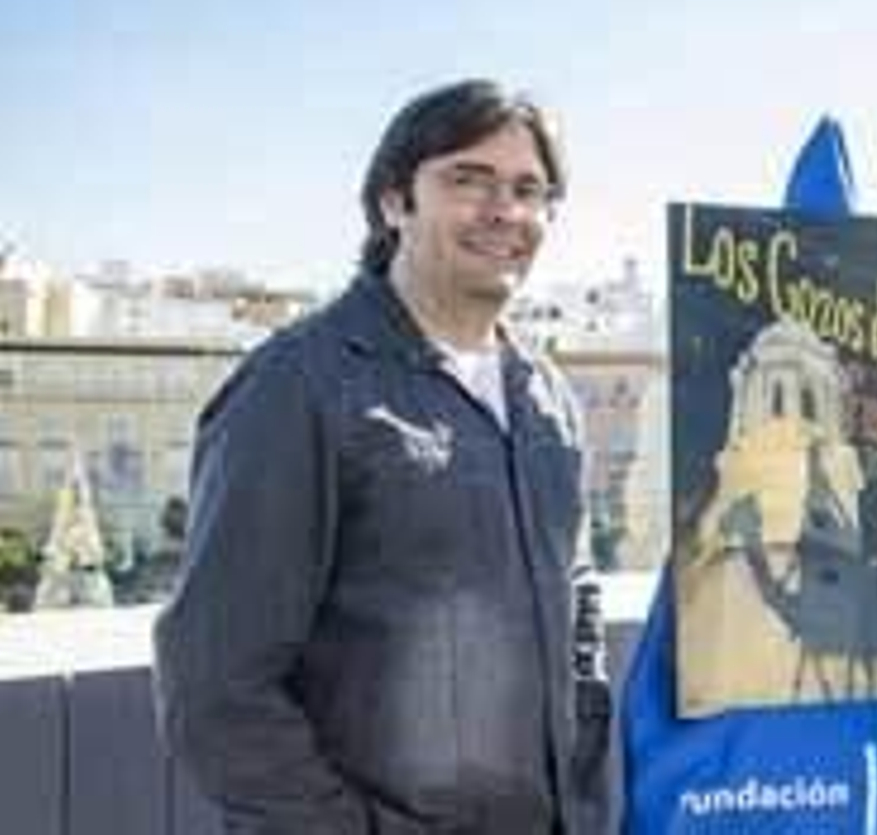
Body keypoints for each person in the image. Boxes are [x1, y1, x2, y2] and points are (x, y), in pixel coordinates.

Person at [154, 79, 612, 834]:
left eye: (530, 190)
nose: (506, 211)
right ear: (394, 200)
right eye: (469, 180)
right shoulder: (299, 385)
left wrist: (586, 801)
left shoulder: (550, 397)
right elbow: (215, 683)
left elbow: (577, 612)